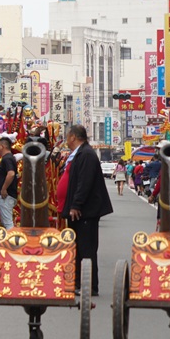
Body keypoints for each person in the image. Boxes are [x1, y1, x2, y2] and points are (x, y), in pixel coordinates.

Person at [61, 125, 113, 296]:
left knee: (87, 249)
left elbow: (85, 182)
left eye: (67, 136)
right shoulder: (81, 153)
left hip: (86, 211)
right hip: (80, 211)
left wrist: (76, 205)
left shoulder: (87, 155)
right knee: (78, 248)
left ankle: (89, 285)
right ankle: (78, 282)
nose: (66, 140)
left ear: (73, 137)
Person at [0, 137, 18, 227]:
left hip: (6, 196)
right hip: (7, 196)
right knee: (6, 222)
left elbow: (11, 174)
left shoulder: (7, 158)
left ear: (2, 146)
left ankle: (11, 236)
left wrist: (4, 189)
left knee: (8, 223)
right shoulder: (9, 158)